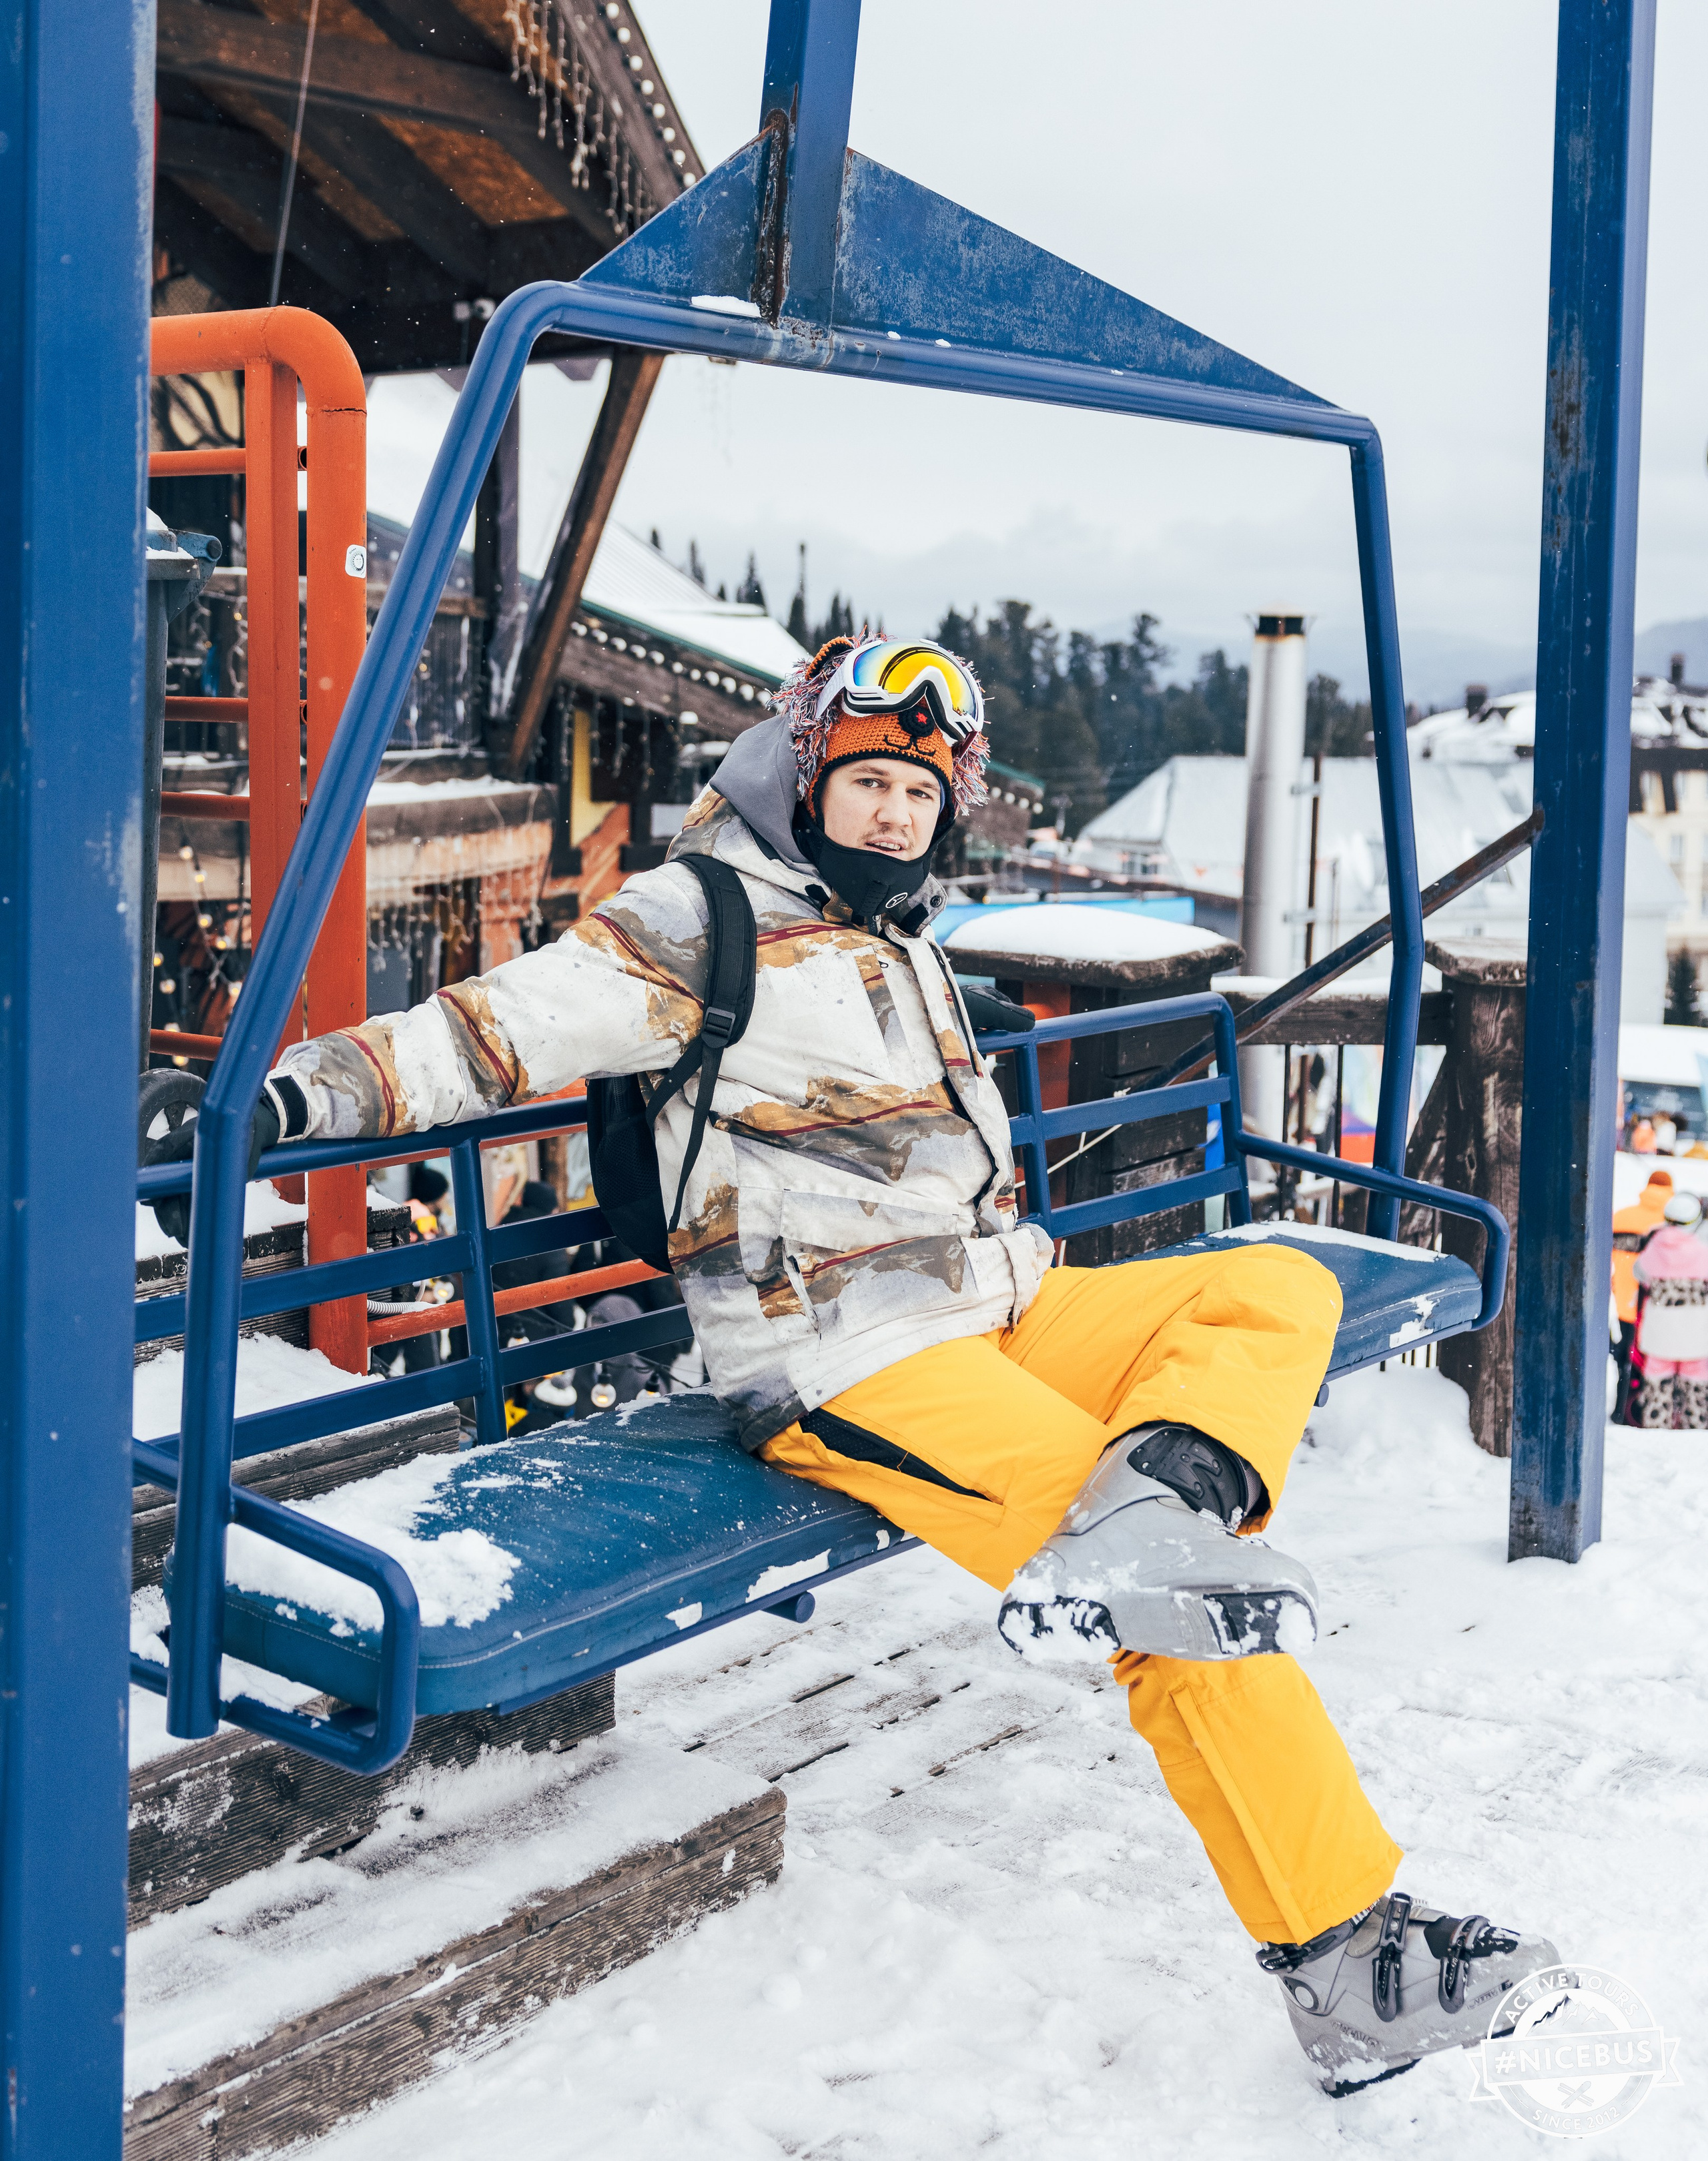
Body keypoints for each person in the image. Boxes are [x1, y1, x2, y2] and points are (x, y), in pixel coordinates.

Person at [175, 634, 1557, 2093]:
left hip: (1008, 1303)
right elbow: (488, 1032)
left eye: (919, 788)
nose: (895, 811)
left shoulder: (895, 935)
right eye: (869, 779)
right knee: (1175, 1601)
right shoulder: (694, 917)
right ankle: (1347, 1956)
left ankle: (1156, 1497)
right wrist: (279, 1096)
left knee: (1268, 1283)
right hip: (846, 1350)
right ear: (805, 772)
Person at [1631, 1189, 1708, 1429]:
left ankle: (1657, 1424)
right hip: (1696, 1333)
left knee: (1657, 1376)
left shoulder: (1654, 1245)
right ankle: (1695, 1426)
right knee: (1696, 1378)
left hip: (1659, 1331)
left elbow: (1640, 1273)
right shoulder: (1702, 1248)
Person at [1612, 1168, 1674, 1421]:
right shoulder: (1671, 1223)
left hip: (1626, 1304)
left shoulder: (1621, 1217)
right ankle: (1646, 1413)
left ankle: (1621, 1410)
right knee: (1655, 1364)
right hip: (1658, 1307)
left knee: (1626, 1358)